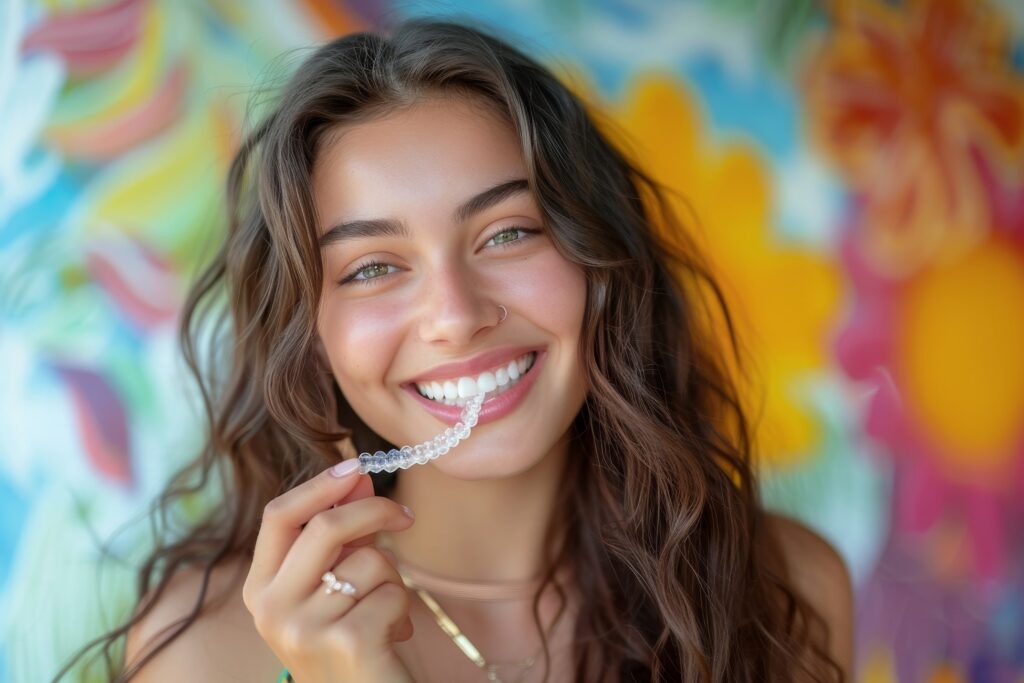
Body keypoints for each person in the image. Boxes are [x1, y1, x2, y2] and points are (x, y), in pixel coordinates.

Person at [58, 17, 853, 683]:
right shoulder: (205, 654)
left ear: (602, 261)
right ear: (311, 335)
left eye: (508, 232)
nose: (456, 315)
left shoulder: (783, 589)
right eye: (372, 267)